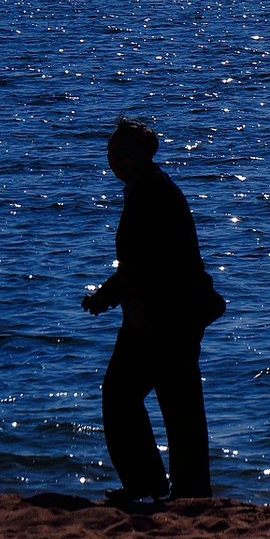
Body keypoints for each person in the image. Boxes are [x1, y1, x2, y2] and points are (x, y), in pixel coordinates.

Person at [82, 117, 222, 501]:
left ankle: (158, 484)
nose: (113, 159)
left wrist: (122, 299)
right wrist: (108, 296)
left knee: (126, 396)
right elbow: (138, 262)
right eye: (111, 152)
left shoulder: (154, 193)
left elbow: (150, 262)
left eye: (120, 152)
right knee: (175, 402)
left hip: (164, 315)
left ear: (141, 154)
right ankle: (182, 489)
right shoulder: (148, 189)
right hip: (165, 313)